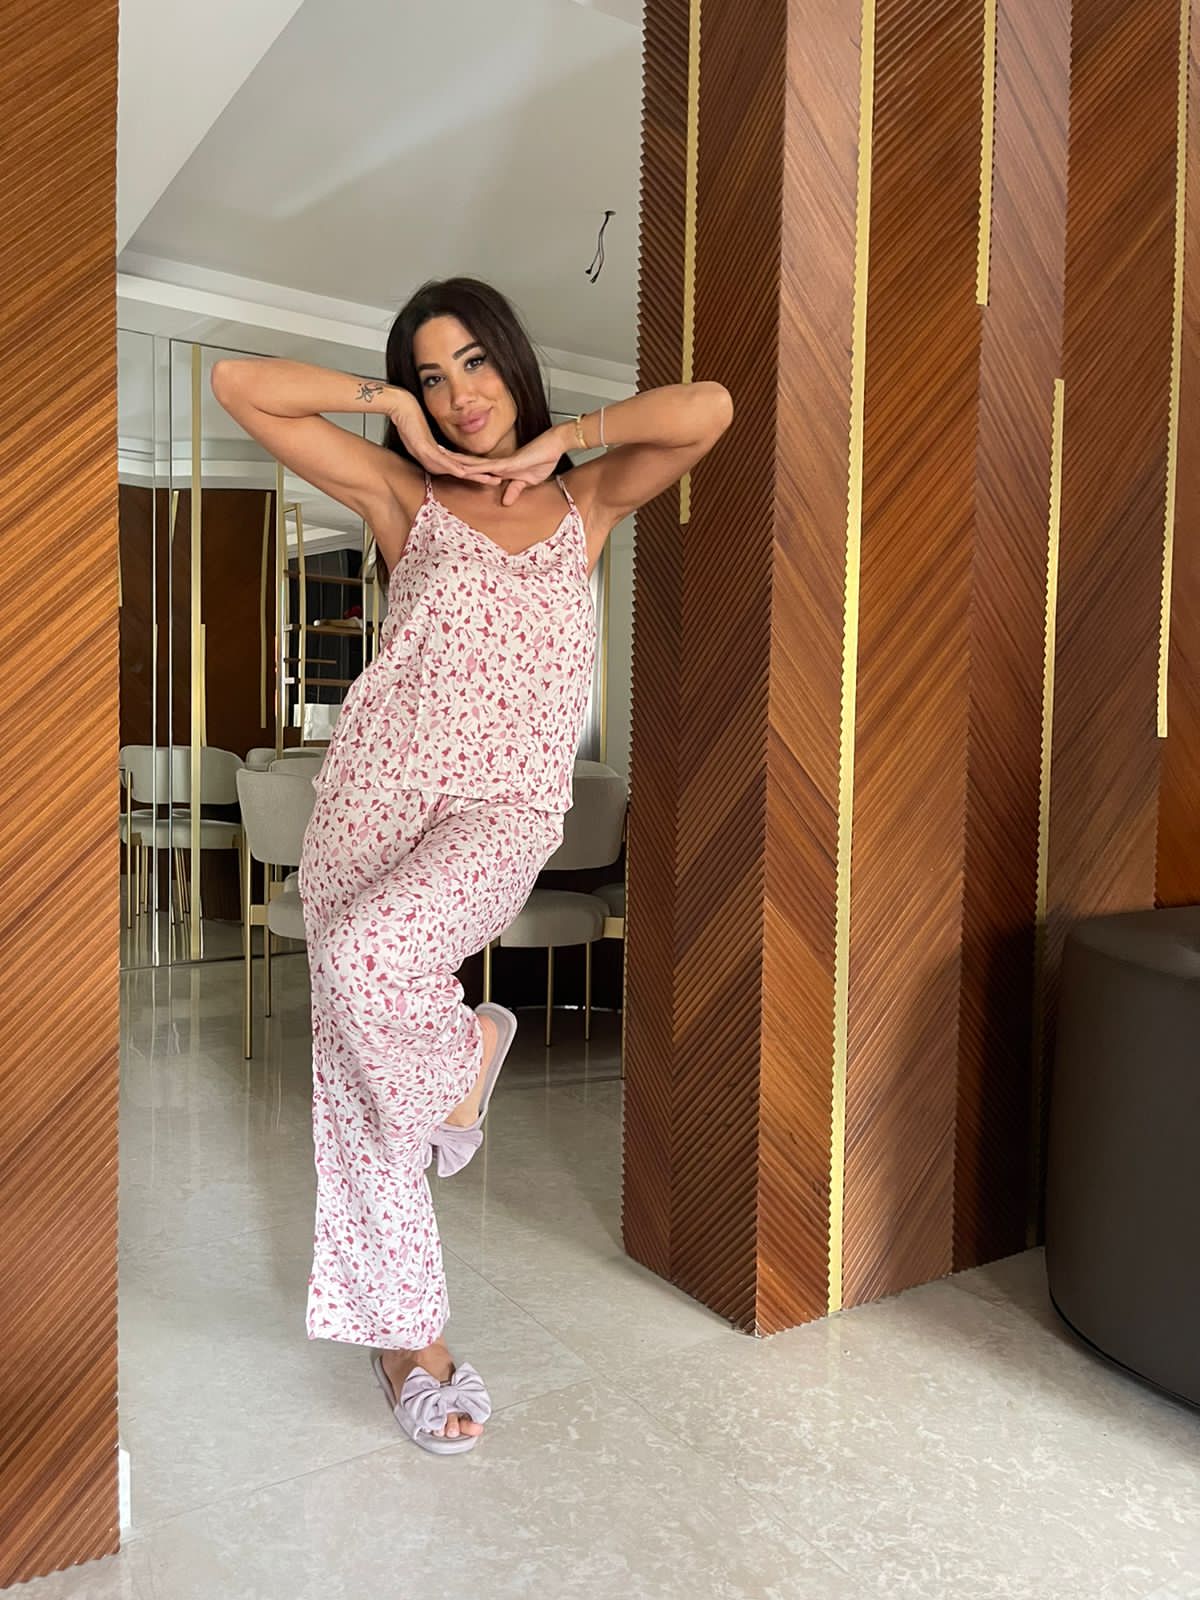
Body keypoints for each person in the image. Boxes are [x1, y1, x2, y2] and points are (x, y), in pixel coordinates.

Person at [212, 276, 732, 1455]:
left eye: (474, 364)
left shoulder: (584, 501)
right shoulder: (405, 495)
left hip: (504, 809)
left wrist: (569, 434)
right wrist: (388, 408)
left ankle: (470, 1049)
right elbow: (238, 384)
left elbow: (709, 409)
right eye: (434, 376)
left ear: (513, 362)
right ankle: (414, 1340)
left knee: (364, 959)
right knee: (356, 1084)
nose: (459, 394)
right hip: (371, 798)